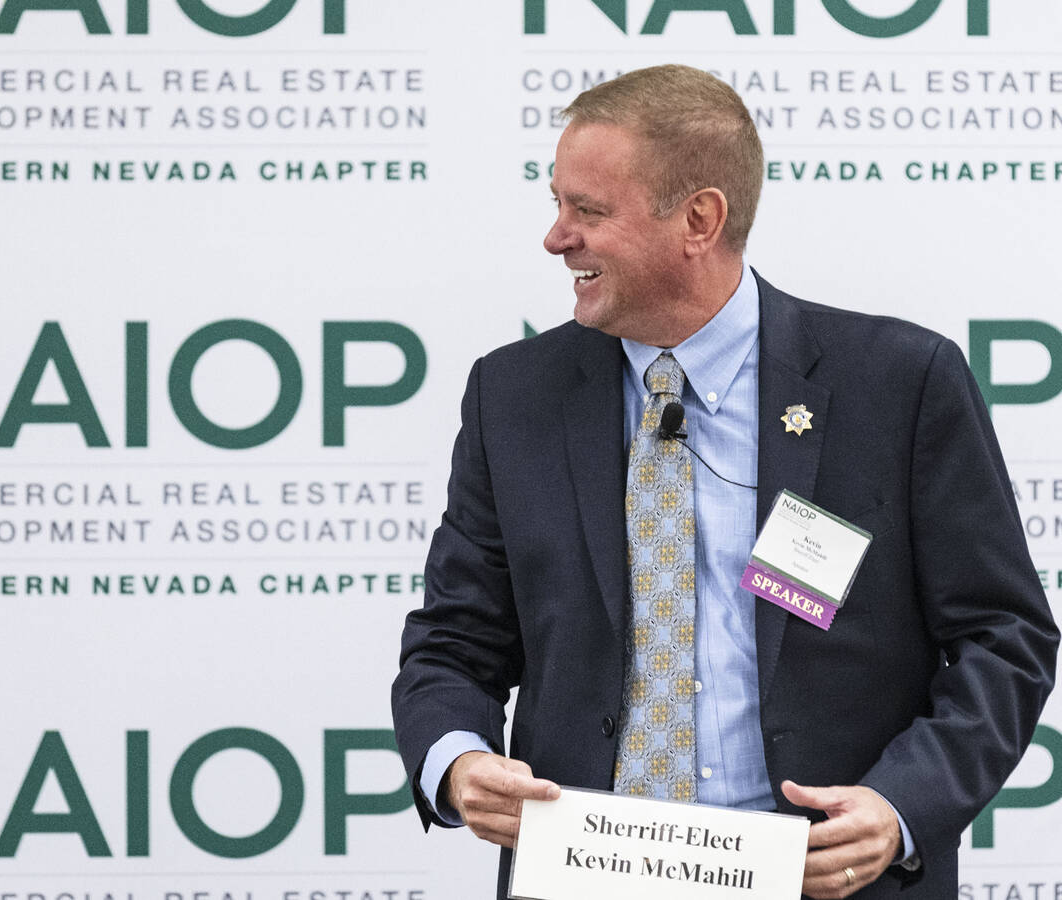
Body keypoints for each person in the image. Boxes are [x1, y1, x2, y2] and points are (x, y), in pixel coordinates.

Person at [390, 65, 1057, 899]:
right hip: (587, 876)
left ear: (699, 219)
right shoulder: (513, 395)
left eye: (588, 212)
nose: (557, 238)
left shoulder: (899, 384)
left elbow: (1005, 637)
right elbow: (455, 641)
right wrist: (456, 762)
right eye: (557, 204)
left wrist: (898, 807)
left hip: (821, 880)